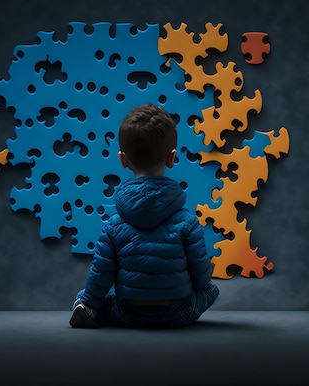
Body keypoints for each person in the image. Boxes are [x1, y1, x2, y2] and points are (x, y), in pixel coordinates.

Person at [69, 103, 219, 329]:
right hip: (177, 313)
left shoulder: (113, 226)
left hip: (128, 312)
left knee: (96, 292)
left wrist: (89, 300)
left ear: (122, 159)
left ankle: (87, 309)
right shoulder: (187, 222)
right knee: (211, 288)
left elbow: (100, 275)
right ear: (172, 158)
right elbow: (201, 278)